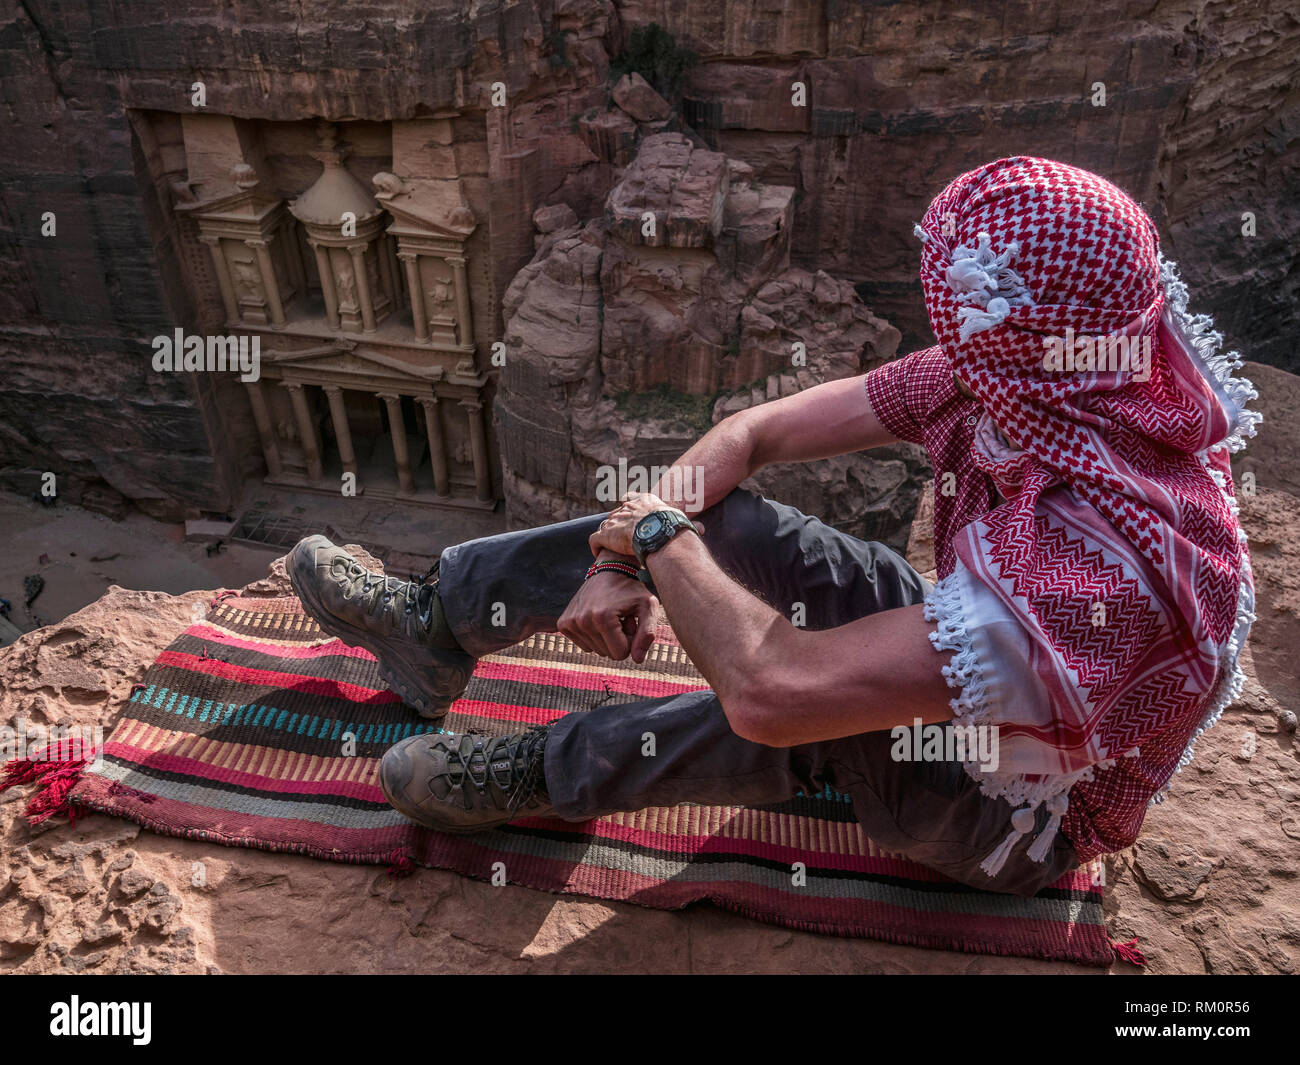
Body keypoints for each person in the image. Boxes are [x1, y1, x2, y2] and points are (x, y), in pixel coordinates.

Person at [289, 157, 1258, 896]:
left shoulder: (1089, 578)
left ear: (1024, 347)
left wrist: (656, 537)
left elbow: (769, 690)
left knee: (809, 709)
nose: (951, 350)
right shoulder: (1061, 381)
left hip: (1008, 811)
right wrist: (625, 549)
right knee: (742, 527)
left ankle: (545, 770)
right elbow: (756, 433)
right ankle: (437, 624)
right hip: (989, 673)